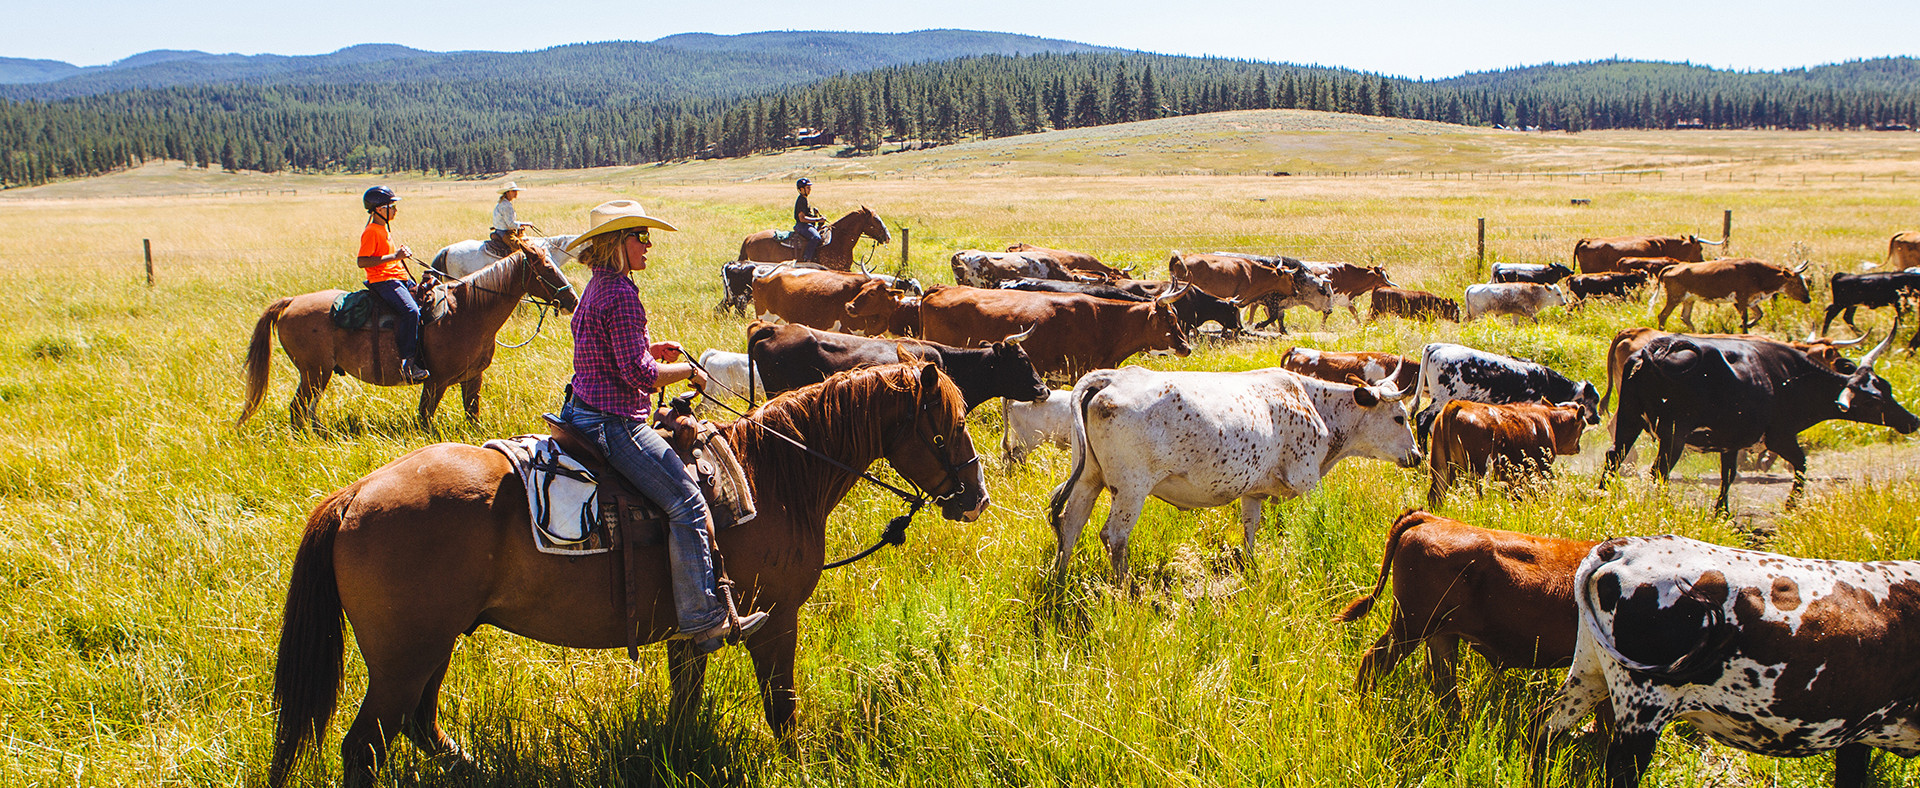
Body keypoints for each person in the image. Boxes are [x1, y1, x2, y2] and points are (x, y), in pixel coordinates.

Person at [559, 199, 768, 655]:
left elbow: (606, 350)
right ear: (619, 242)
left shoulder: (598, 285)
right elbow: (640, 376)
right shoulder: (622, 294)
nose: (648, 245)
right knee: (689, 503)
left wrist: (650, 348)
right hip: (613, 423)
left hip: (580, 412)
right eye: (641, 237)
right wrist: (689, 371)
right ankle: (703, 617)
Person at [357, 186, 430, 382]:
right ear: (380, 209)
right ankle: (408, 364)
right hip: (383, 281)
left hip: (397, 277)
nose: (395, 210)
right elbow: (362, 261)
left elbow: (385, 255)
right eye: (392, 206)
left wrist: (399, 255)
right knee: (411, 311)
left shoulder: (383, 229)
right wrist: (395, 256)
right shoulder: (372, 231)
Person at [490, 181, 529, 254]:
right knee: (523, 249)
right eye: (513, 191)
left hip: (500, 231)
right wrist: (525, 224)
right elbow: (511, 224)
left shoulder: (503, 203)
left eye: (516, 191)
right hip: (505, 233)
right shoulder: (507, 205)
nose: (516, 193)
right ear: (507, 192)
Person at [792, 177, 824, 262]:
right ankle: (807, 258)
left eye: (810, 187)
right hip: (802, 226)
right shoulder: (801, 200)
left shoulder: (804, 199)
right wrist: (818, 220)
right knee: (816, 237)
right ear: (801, 189)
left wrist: (815, 215)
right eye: (808, 187)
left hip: (805, 225)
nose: (810, 189)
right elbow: (802, 218)